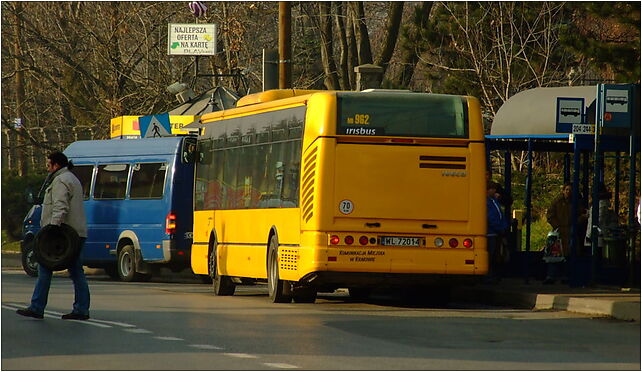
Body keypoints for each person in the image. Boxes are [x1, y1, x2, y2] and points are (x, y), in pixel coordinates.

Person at [17, 152, 90, 320]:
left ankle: (37, 307)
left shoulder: (61, 180)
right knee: (77, 272)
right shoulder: (72, 178)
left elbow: (60, 206)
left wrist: (52, 229)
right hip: (75, 233)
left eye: (49, 165)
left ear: (56, 165)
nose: (47, 168)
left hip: (62, 236)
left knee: (45, 268)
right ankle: (81, 309)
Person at [546, 182, 587, 258]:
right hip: (560, 233)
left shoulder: (576, 202)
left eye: (570, 190)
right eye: (567, 189)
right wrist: (557, 226)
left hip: (572, 231)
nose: (568, 192)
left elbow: (581, 215)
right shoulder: (557, 202)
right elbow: (550, 216)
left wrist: (577, 222)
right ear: (563, 191)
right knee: (559, 255)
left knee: (573, 254)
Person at [486, 181, 509, 282]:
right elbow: (491, 218)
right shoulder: (487, 202)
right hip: (491, 232)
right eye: (492, 189)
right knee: (491, 255)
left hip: (496, 232)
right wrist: (500, 228)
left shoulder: (494, 201)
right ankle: (489, 276)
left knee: (496, 255)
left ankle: (494, 275)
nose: (494, 190)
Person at [584, 183, 617, 253]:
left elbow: (597, 220)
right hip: (598, 236)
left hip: (595, 237)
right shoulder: (603, 203)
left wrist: (589, 235)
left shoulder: (600, 204)